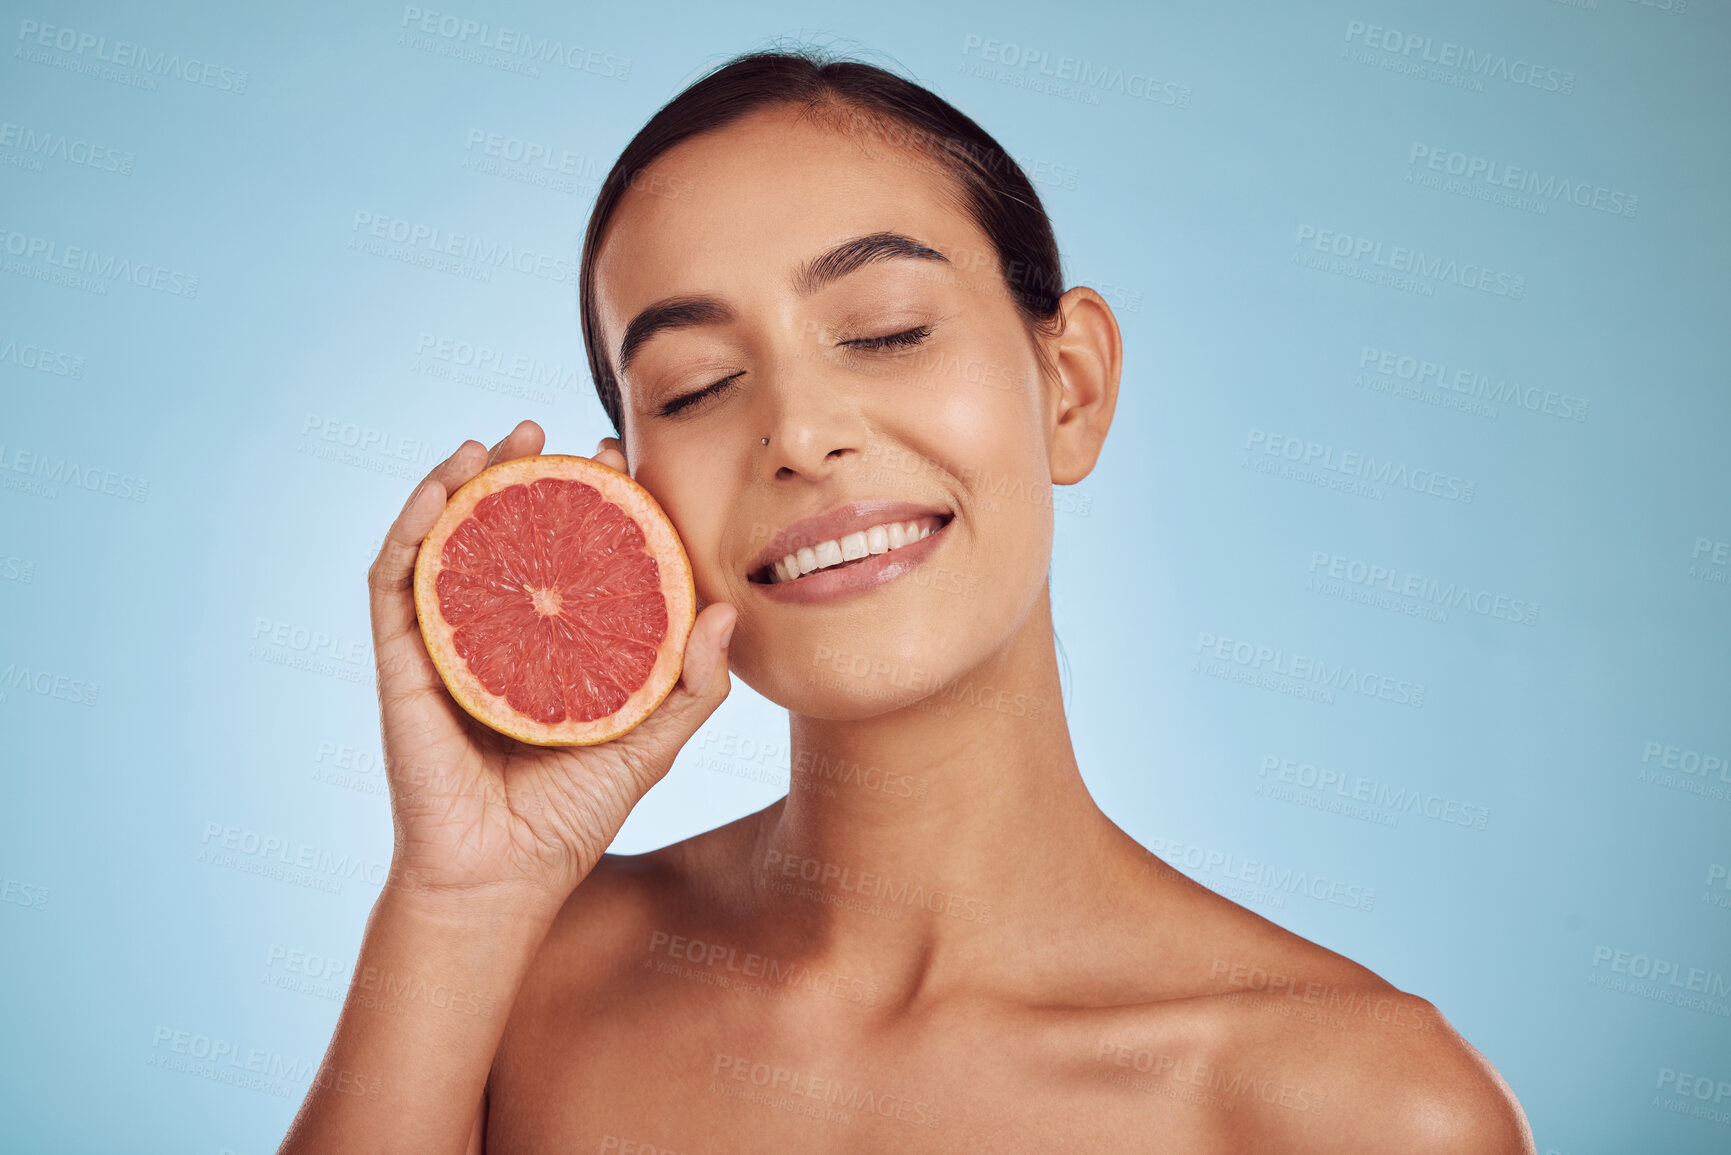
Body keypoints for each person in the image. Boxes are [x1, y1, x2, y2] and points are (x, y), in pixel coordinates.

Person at [280, 48, 1534, 1154]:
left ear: (1071, 386)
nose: (801, 432)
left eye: (883, 330)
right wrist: (462, 900)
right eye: (699, 384)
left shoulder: (1355, 1108)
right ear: (631, 495)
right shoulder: (523, 979)